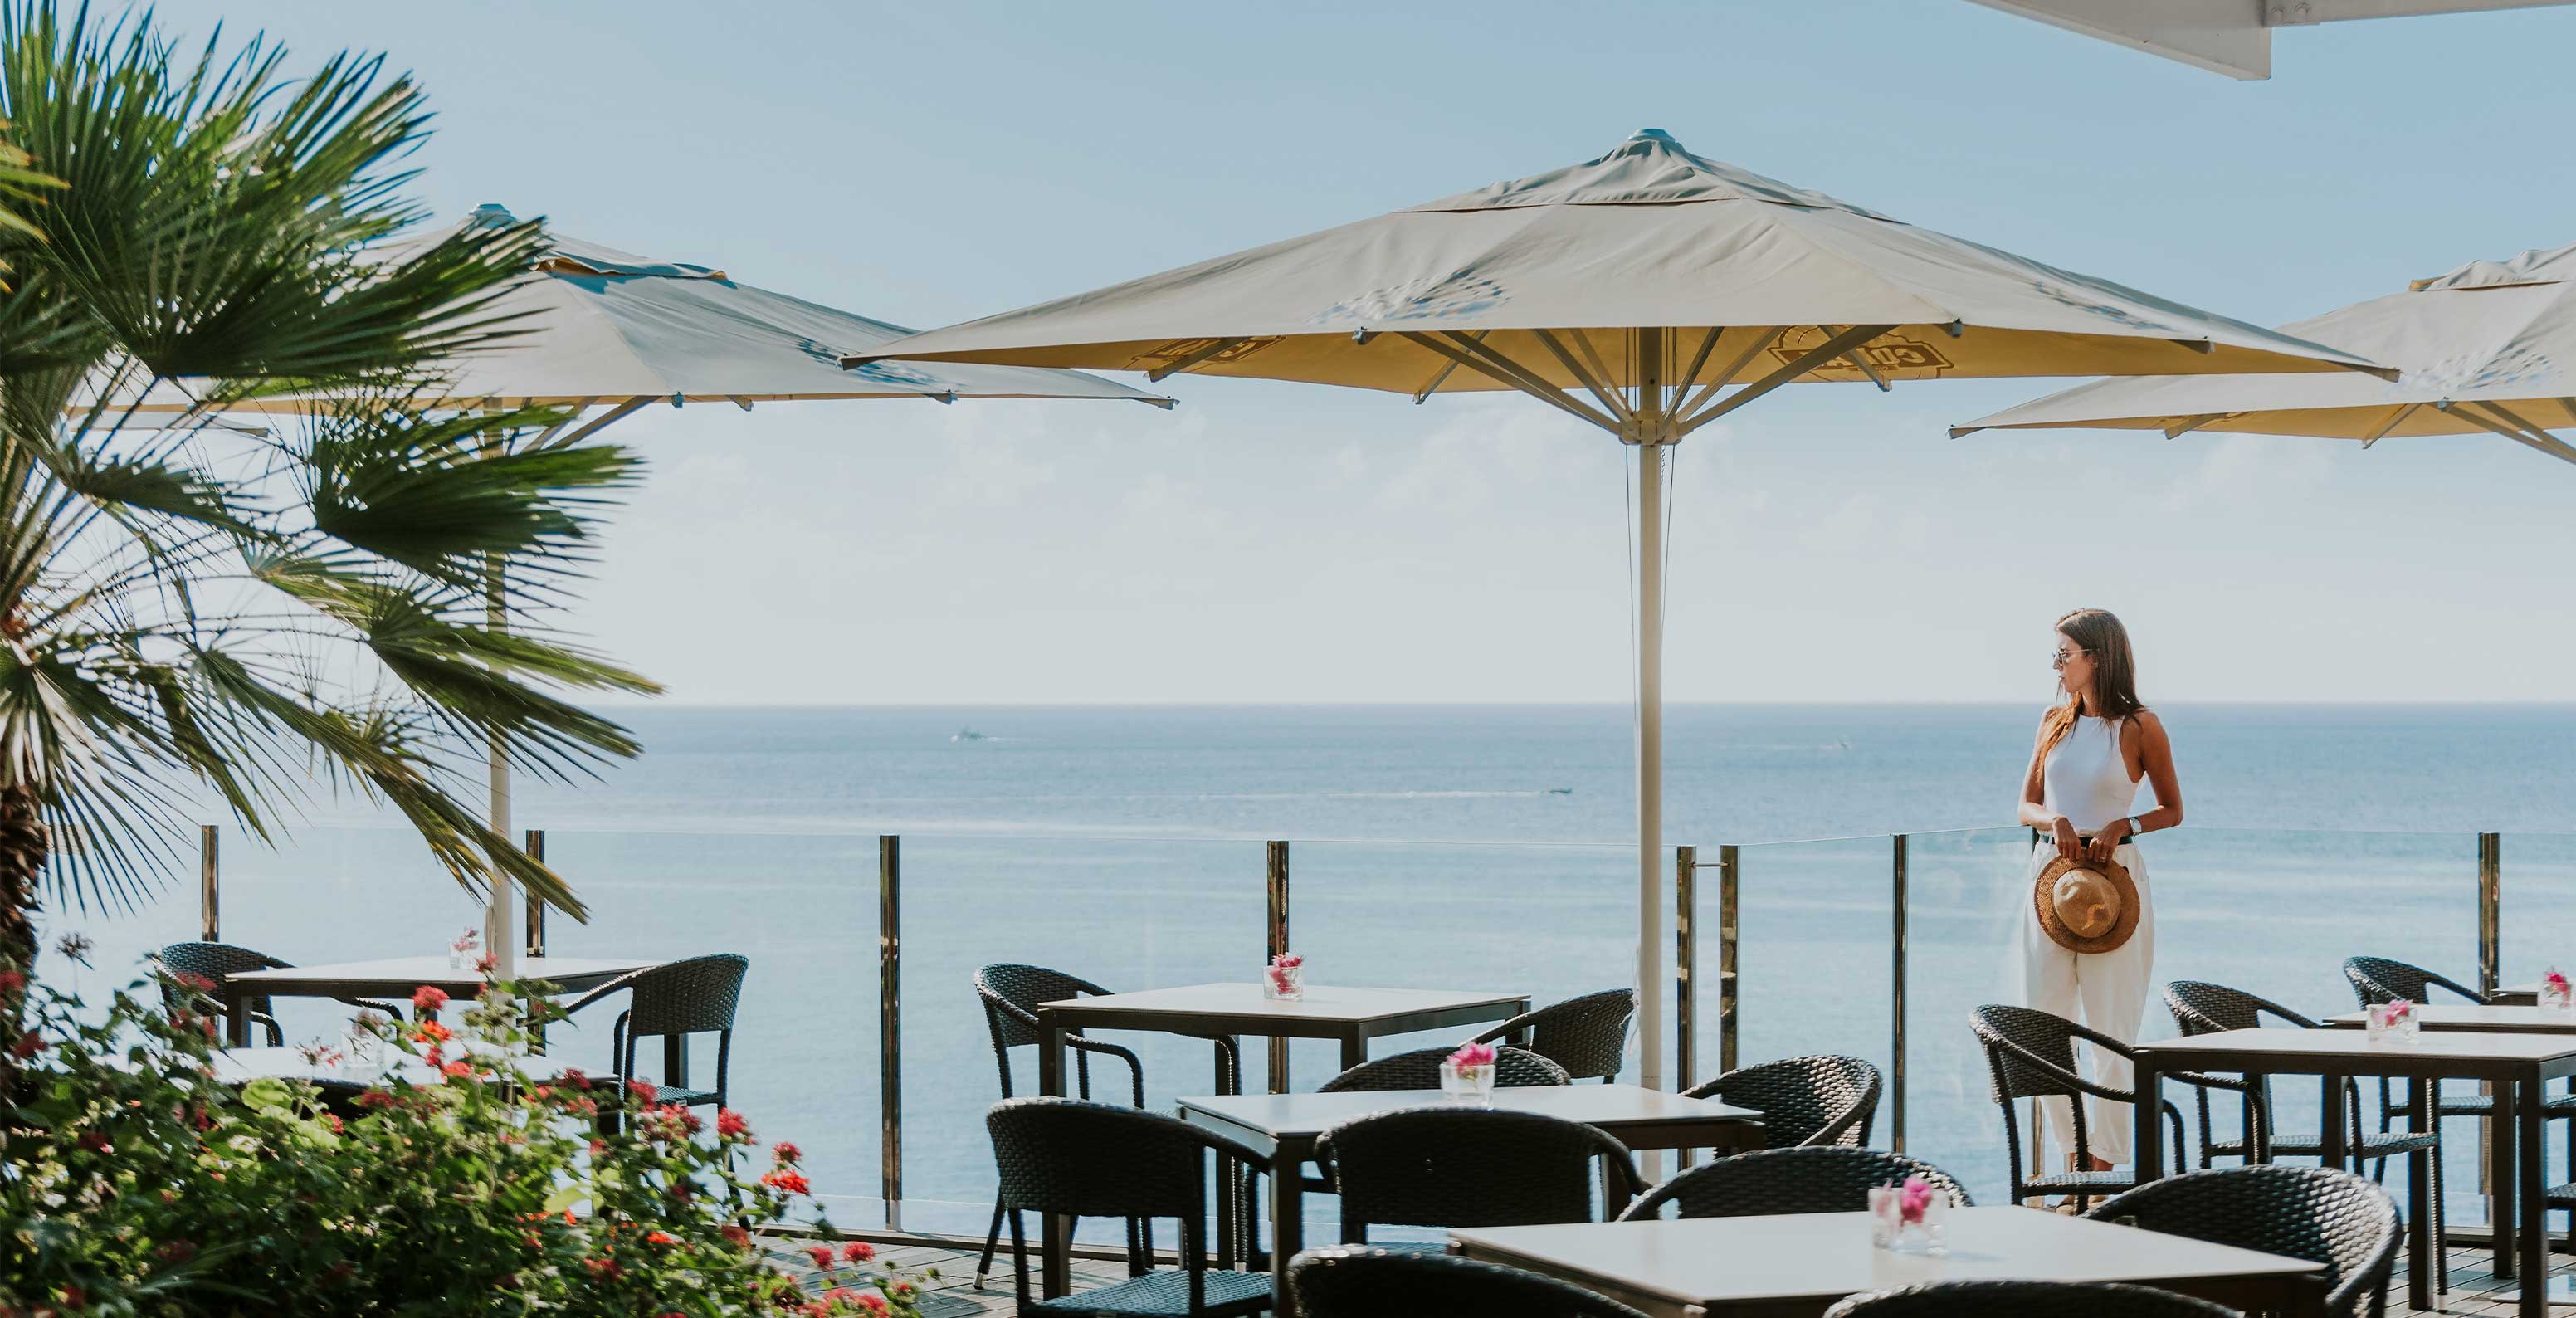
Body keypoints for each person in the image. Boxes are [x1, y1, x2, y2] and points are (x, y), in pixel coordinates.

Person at [2014, 607, 2183, 1173]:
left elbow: (2172, 809)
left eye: (2065, 654)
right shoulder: (2053, 721)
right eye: (2056, 654)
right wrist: (2054, 821)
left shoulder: (2139, 726)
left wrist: (2122, 825)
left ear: (2098, 657)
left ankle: (2103, 1168)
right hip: (2053, 878)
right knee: (2043, 1027)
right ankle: (2072, 1163)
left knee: (2111, 1028)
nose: (2056, 665)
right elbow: (2026, 804)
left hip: (2114, 881)